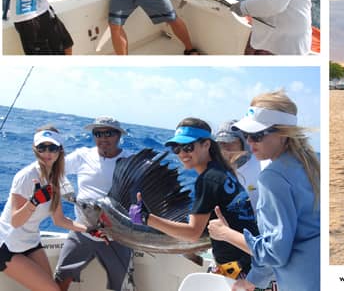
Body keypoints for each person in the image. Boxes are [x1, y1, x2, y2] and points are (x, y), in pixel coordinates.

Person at [208, 90, 320, 291]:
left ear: (283, 134)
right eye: (247, 135)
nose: (250, 143)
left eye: (257, 135)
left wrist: (225, 233)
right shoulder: (311, 165)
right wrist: (254, 279)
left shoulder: (272, 177)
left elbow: (275, 252)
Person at [129, 118, 258, 280]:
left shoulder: (208, 180)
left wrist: (146, 218)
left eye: (188, 147)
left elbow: (192, 234)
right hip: (248, 264)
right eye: (177, 148)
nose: (182, 154)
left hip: (237, 271)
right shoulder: (223, 172)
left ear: (207, 145)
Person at [0, 127, 88, 291]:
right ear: (35, 149)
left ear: (60, 151)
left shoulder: (56, 178)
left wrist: (90, 229)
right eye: (42, 147)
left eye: (52, 148)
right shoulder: (26, 176)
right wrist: (33, 202)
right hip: (7, 245)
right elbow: (16, 221)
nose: (47, 153)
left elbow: (59, 220)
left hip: (31, 242)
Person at [54, 117, 132, 291]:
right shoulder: (82, 155)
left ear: (119, 135)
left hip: (117, 236)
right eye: (98, 133)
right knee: (60, 279)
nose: (103, 138)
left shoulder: (130, 160)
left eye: (108, 133)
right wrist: (64, 188)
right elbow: (53, 169)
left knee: (120, 287)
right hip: (82, 231)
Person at [215, 120, 269, 213]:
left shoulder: (264, 166)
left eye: (231, 142)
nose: (226, 147)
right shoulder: (215, 171)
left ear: (244, 143)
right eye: (221, 143)